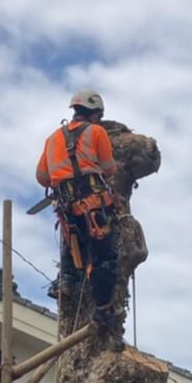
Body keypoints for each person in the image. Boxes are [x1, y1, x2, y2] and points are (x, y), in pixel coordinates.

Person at [35, 88, 119, 308]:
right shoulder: (97, 132)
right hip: (95, 206)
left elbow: (42, 177)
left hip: (67, 209)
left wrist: (64, 176)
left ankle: (66, 281)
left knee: (72, 249)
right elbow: (109, 169)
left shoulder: (52, 139)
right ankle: (102, 308)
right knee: (105, 259)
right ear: (95, 113)